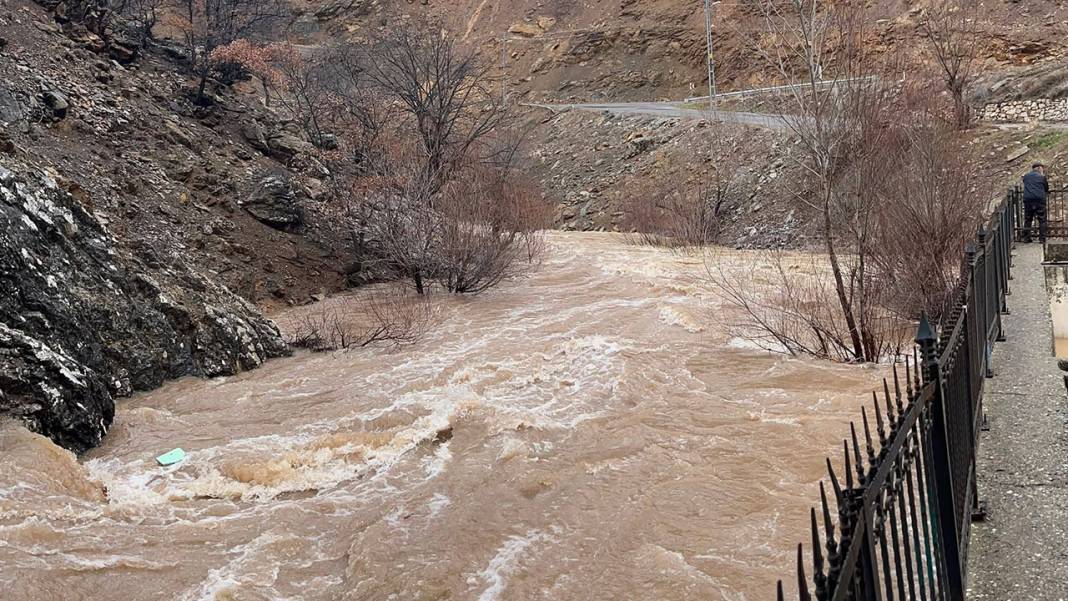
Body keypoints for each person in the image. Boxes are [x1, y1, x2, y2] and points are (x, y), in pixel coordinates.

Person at [1022, 162, 1050, 243]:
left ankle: (1026, 238)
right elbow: (1046, 188)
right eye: (1042, 168)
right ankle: (1042, 239)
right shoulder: (1042, 177)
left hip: (1028, 200)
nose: (1042, 170)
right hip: (1039, 200)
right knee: (1042, 219)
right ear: (1038, 168)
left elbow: (1025, 183)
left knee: (1028, 219)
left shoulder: (1026, 176)